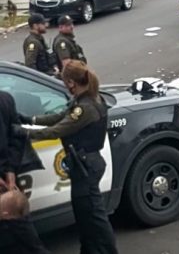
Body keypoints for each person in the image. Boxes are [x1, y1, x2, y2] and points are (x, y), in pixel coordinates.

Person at [13, 61, 119, 253]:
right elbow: (61, 116)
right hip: (85, 165)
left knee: (93, 217)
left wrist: (25, 133)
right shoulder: (87, 99)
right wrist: (31, 120)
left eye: (64, 82)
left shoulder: (85, 108)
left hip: (85, 166)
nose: (64, 86)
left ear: (71, 82)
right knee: (86, 216)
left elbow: (58, 130)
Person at [0, 92, 49, 254]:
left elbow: (16, 136)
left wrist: (10, 171)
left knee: (23, 231)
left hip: (7, 179)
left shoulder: (4, 99)